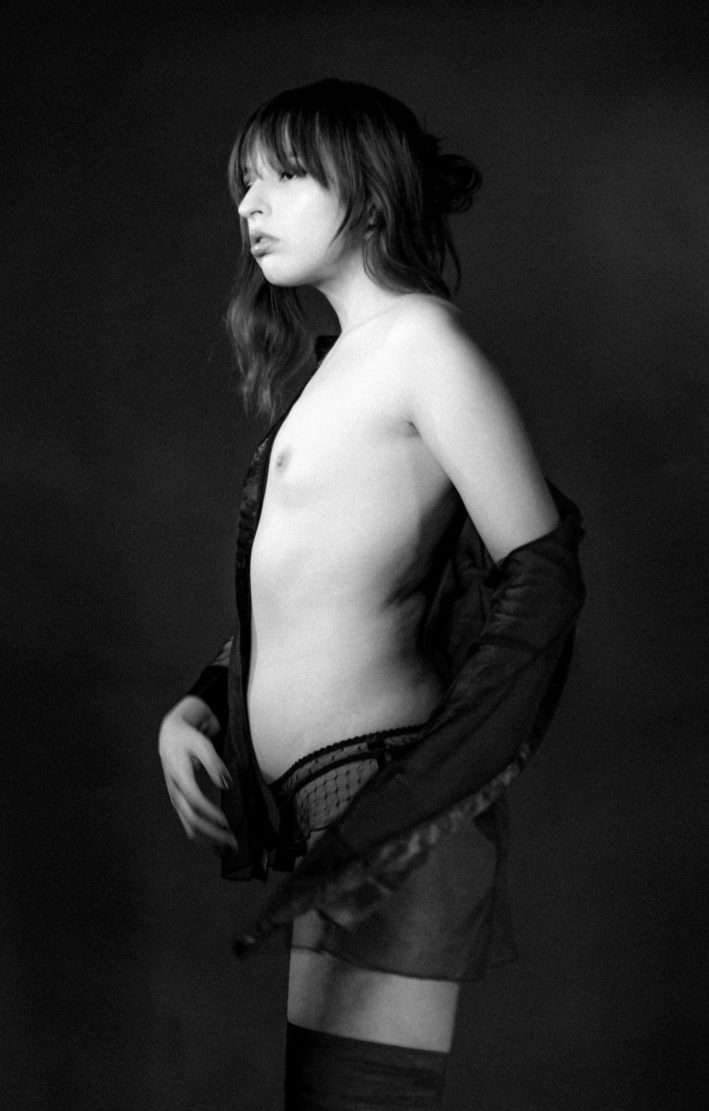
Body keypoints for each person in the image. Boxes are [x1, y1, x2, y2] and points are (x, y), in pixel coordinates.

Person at [158, 78, 586, 1111]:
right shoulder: (334, 370)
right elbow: (310, 589)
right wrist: (198, 705)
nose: (250, 204)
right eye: (244, 183)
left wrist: (447, 770)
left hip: (385, 791)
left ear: (371, 193)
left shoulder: (422, 346)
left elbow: (541, 568)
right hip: (329, 799)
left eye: (285, 176)